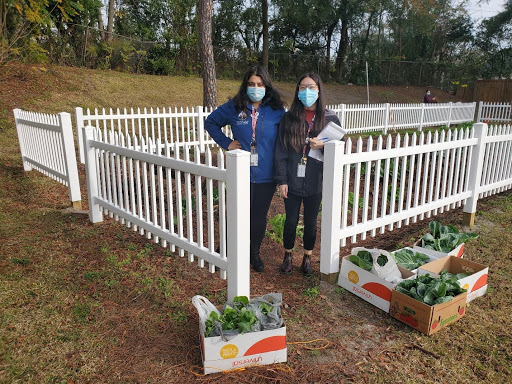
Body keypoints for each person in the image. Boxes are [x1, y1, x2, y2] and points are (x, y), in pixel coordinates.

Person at [204, 65, 286, 272]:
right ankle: (226, 249)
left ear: (266, 86)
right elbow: (211, 122)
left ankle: (254, 253)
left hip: (266, 176)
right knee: (236, 213)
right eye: (251, 84)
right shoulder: (235, 106)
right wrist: (226, 143)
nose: (255, 88)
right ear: (245, 85)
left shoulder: (277, 110)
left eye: (259, 84)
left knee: (258, 217)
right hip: (241, 173)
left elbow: (284, 141)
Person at [274, 73, 341, 275]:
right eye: (302, 88)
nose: (307, 92)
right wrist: (282, 180)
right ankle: (287, 256)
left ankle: (307, 258)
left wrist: (323, 145)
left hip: (316, 181)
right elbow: (281, 150)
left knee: (311, 223)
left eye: (311, 87)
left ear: (319, 90)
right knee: (291, 221)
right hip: (292, 180)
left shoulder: (330, 118)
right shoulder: (289, 118)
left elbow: (340, 148)